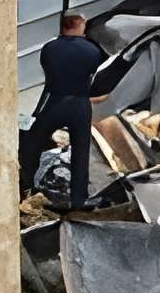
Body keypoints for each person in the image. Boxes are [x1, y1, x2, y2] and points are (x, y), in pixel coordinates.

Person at [21, 12, 101, 213]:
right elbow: (93, 73)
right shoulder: (91, 50)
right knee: (81, 150)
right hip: (80, 103)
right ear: (79, 25)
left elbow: (46, 68)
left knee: (34, 142)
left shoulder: (49, 49)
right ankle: (78, 200)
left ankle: (29, 186)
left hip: (54, 100)